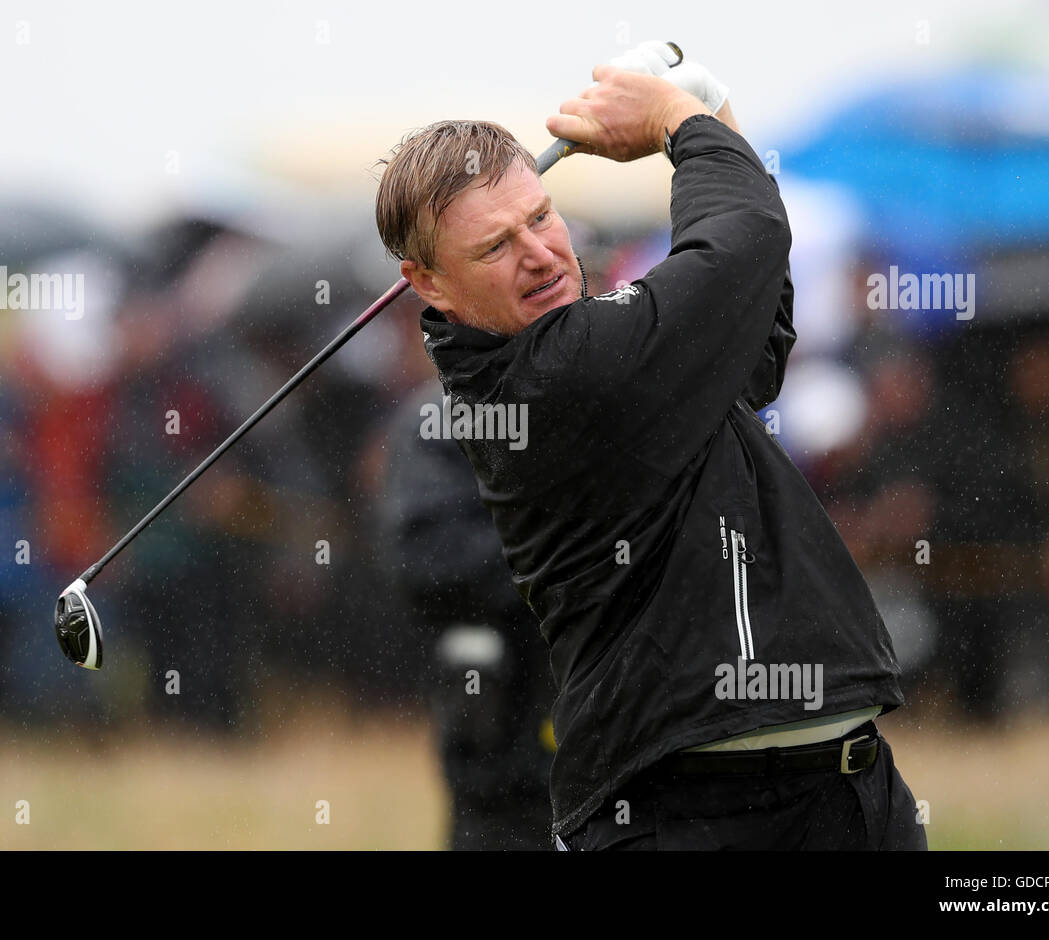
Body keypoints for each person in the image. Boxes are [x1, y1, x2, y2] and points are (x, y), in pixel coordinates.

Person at [373, 50, 926, 850]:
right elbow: (743, 241)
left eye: (541, 216)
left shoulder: (612, 355)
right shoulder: (553, 374)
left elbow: (757, 326)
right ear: (427, 282)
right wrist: (682, 124)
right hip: (689, 812)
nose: (539, 252)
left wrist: (714, 116)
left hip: (843, 785)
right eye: (496, 246)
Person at [378, 380, 555, 849]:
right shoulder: (442, 420)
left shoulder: (624, 398)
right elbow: (425, 559)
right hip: (503, 732)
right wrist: (563, 561)